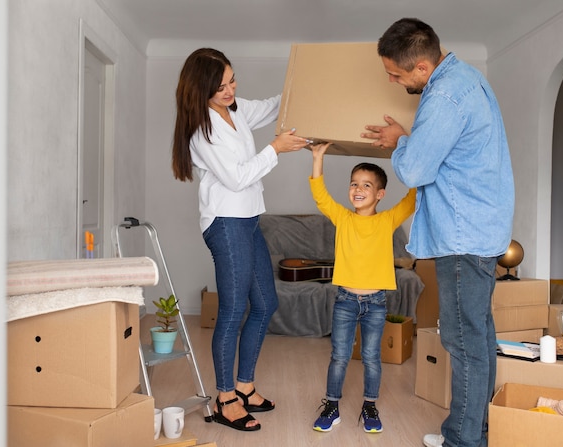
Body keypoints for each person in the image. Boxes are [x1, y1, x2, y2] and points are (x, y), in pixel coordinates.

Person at [361, 18, 515, 447]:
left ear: (423, 67)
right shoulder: (466, 78)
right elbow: (446, 150)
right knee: (478, 337)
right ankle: (473, 432)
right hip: (480, 229)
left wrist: (400, 144)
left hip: (464, 235)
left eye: (396, 73)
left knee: (464, 342)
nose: (392, 81)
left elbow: (413, 169)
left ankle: (463, 442)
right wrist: (410, 136)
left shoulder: (444, 96)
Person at [171, 47, 309, 432]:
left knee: (265, 303)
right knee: (233, 310)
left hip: (248, 218)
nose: (230, 90)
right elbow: (236, 178)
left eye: (232, 80)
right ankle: (225, 396)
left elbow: (268, 107)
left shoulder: (233, 110)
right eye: (221, 86)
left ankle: (245, 386)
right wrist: (275, 148)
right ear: (201, 90)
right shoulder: (202, 130)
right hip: (225, 223)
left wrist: (306, 86)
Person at [309, 142, 416, 434]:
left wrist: (413, 152)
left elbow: (412, 197)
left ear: (380, 194)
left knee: (371, 358)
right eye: (354, 184)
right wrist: (318, 158)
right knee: (339, 356)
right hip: (345, 300)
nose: (358, 189)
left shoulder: (387, 220)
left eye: (366, 185)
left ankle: (370, 405)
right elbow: (320, 196)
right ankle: (332, 406)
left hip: (376, 303)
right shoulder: (342, 218)